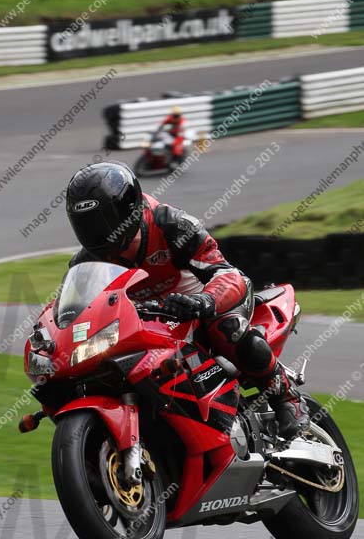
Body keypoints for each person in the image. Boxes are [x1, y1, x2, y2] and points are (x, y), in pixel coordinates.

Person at [65, 162, 310, 439]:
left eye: (104, 220)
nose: (97, 232)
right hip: (152, 327)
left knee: (227, 327)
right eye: (88, 224)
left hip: (204, 305)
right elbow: (75, 314)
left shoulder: (169, 224)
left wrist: (203, 302)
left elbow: (228, 273)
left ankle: (286, 397)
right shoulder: (85, 262)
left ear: (128, 209)